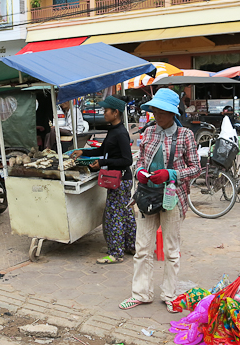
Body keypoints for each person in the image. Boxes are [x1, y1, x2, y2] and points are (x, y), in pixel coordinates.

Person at [119, 89, 201, 312]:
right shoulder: (149, 133)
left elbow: (196, 168)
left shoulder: (186, 136)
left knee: (171, 250)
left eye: (161, 111)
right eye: (154, 110)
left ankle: (169, 295)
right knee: (142, 248)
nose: (157, 115)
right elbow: (140, 160)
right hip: (146, 197)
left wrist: (172, 174)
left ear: (172, 112)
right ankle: (141, 293)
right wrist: (140, 172)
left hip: (172, 200)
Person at [72, 96, 134, 264]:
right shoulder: (113, 130)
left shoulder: (121, 133)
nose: (103, 113)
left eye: (106, 111)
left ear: (115, 113)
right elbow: (103, 149)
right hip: (116, 178)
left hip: (120, 179)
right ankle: (130, 246)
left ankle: (115, 253)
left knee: (114, 216)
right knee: (125, 213)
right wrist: (83, 152)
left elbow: (127, 160)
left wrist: (103, 163)